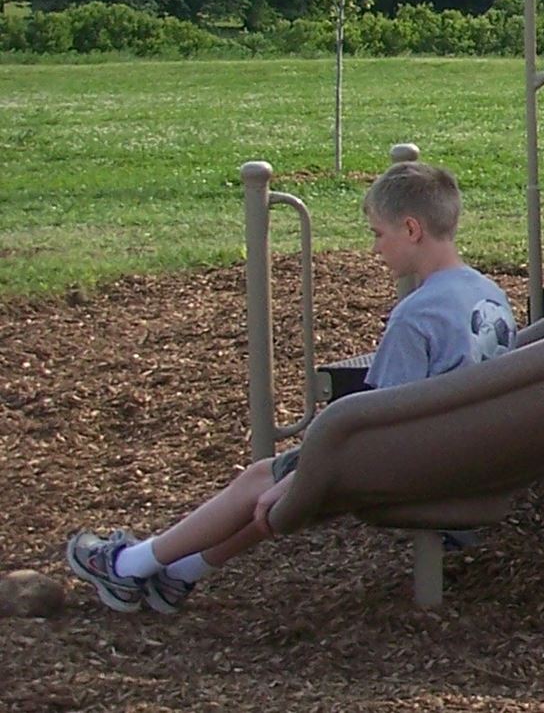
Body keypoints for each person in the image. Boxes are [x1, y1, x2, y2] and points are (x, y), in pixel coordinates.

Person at [64, 163, 516, 613]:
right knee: (276, 485)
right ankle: (177, 576)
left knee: (264, 478)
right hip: (471, 457)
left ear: (412, 229)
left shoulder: (417, 315)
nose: (375, 247)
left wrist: (303, 477)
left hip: (417, 468)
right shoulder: (490, 294)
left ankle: (126, 566)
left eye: (378, 234)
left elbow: (379, 423)